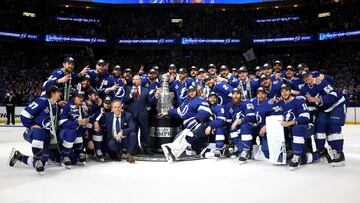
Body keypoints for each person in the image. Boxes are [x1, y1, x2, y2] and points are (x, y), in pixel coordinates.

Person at [8, 85, 61, 175]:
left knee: (42, 163)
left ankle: (19, 157)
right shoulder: (41, 101)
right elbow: (24, 114)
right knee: (39, 133)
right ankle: (37, 160)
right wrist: (31, 125)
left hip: (46, 136)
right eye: (58, 92)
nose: (60, 93)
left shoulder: (55, 105)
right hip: (34, 132)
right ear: (53, 93)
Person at [299, 70, 346, 166]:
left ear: (311, 75)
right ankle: (321, 150)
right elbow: (306, 102)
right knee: (319, 128)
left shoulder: (321, 82)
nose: (306, 78)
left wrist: (318, 99)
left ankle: (338, 153)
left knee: (334, 127)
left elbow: (334, 95)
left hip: (337, 104)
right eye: (304, 77)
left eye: (307, 75)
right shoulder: (304, 89)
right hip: (323, 108)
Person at [159, 85, 213, 162]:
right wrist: (167, 112)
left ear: (196, 92)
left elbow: (206, 111)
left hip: (201, 124)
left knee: (188, 136)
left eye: (193, 91)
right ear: (188, 92)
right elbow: (178, 111)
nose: (192, 93)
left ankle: (173, 152)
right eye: (190, 91)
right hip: (190, 126)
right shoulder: (186, 102)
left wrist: (197, 119)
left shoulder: (200, 100)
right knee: (181, 136)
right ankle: (172, 151)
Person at [124, 75, 160, 155]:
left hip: (143, 115)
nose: (134, 81)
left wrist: (156, 95)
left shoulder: (146, 90)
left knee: (145, 132)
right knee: (134, 132)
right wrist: (130, 95)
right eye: (133, 79)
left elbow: (150, 102)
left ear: (140, 81)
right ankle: (135, 148)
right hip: (132, 115)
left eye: (136, 79)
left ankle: (146, 148)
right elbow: (125, 101)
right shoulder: (128, 89)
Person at [58, 90, 89, 169]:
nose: (81, 99)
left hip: (75, 133)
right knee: (72, 131)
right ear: (74, 98)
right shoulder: (67, 106)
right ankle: (64, 156)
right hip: (65, 132)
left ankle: (79, 152)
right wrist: (78, 122)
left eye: (82, 97)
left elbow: (82, 122)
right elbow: (62, 122)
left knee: (74, 161)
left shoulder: (80, 108)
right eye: (79, 97)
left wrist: (84, 127)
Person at [225, 88, 256, 164]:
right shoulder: (229, 106)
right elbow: (229, 120)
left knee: (244, 126)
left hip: (251, 126)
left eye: (237, 94)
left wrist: (240, 120)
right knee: (232, 128)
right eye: (234, 94)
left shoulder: (246, 102)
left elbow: (252, 117)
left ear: (241, 95)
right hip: (238, 126)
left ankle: (246, 151)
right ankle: (238, 148)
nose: (235, 96)